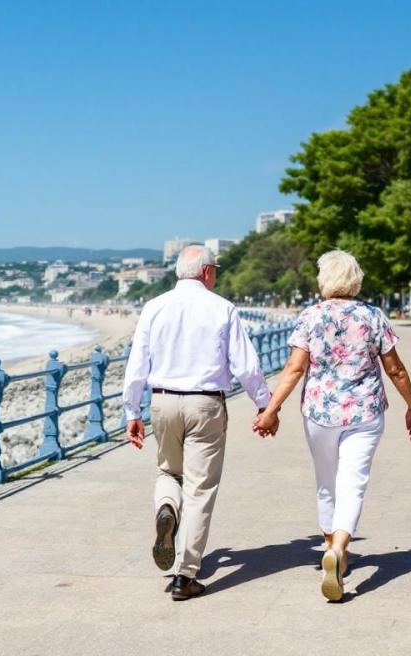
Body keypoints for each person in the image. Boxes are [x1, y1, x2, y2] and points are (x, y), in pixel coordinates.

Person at [253, 249, 411, 602]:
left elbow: (294, 369)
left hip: (319, 413)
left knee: (326, 483)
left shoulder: (310, 317)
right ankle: (340, 548)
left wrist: (271, 410)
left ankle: (331, 545)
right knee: (353, 484)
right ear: (356, 281)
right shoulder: (373, 316)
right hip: (364, 413)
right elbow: (395, 369)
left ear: (323, 281)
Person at [122, 245, 271, 602]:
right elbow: (245, 366)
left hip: (163, 401)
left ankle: (167, 510)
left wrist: (132, 411)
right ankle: (185, 575)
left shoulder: (154, 307)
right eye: (214, 269)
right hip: (205, 403)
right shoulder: (222, 308)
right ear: (206, 272)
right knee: (200, 488)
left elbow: (137, 363)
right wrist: (265, 405)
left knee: (168, 472)